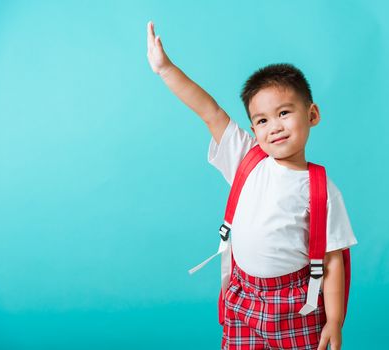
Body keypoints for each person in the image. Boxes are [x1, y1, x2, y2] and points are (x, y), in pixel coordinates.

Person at [146, 20, 357, 350]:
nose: (274, 127)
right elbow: (210, 111)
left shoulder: (322, 189)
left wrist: (334, 321)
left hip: (297, 306)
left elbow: (332, 261)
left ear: (312, 114)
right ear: (253, 129)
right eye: (262, 120)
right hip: (243, 297)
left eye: (284, 112)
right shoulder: (247, 158)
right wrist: (165, 69)